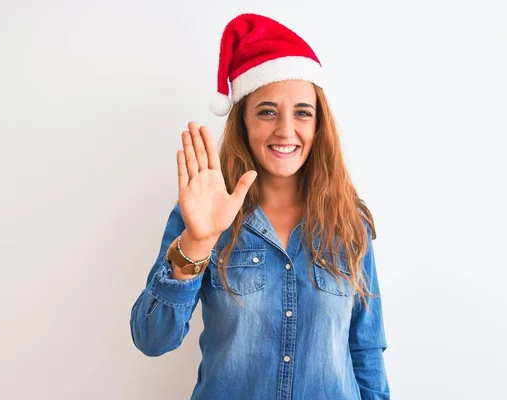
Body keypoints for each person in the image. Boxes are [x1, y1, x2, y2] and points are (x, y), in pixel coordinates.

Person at [130, 13, 390, 400]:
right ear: (244, 124)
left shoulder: (348, 222)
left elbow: (365, 352)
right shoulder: (202, 216)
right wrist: (198, 244)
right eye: (267, 111)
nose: (286, 130)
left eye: (303, 112)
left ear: (318, 126)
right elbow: (152, 338)